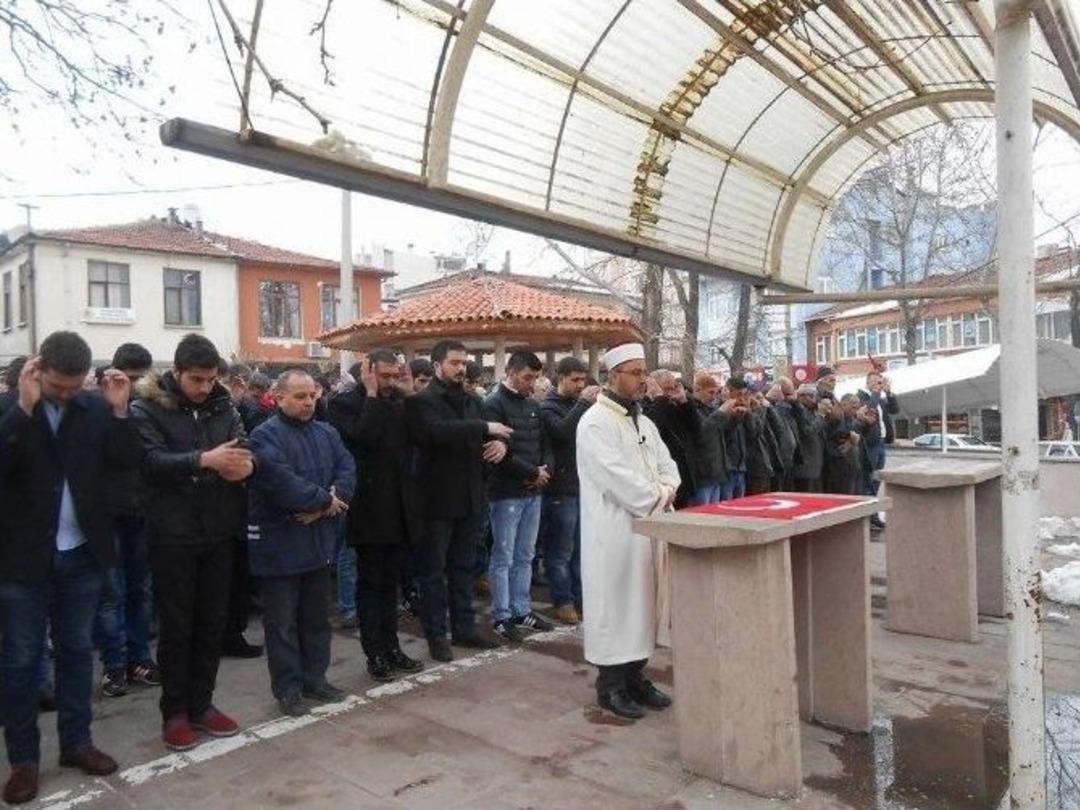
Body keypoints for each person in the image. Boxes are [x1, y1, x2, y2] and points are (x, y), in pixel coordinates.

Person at [0, 332, 141, 804]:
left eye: (74, 385)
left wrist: (120, 412)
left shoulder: (95, 408)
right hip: (23, 560)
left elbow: (125, 466)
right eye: (58, 386)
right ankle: (23, 760)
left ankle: (76, 743)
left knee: (79, 652)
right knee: (21, 661)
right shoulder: (12, 408)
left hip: (82, 553)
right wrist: (23, 407)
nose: (65, 393)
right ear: (38, 371)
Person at [132, 334, 253, 751]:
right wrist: (203, 460)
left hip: (219, 530)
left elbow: (244, 446)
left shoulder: (223, 405)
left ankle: (203, 704)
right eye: (197, 380)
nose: (205, 387)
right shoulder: (147, 407)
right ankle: (176, 712)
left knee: (211, 624)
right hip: (172, 535)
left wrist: (245, 466)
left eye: (210, 379)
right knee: (178, 628)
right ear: (177, 373)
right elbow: (149, 463)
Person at [577, 342, 679, 721]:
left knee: (642, 606)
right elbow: (617, 480)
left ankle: (636, 676)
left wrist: (665, 490)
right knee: (616, 606)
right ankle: (611, 685)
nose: (642, 380)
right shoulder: (594, 423)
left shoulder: (645, 421)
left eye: (644, 372)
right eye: (635, 373)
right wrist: (659, 495)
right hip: (614, 533)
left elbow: (669, 466)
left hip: (647, 529)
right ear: (612, 375)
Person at [247, 370, 355, 717]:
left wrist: (326, 505)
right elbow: (281, 482)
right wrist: (324, 502)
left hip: (318, 541)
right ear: (279, 398)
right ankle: (288, 688)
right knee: (281, 623)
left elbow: (347, 467)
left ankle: (316, 680)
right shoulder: (264, 436)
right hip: (280, 543)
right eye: (300, 396)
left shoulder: (326, 432)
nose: (309, 402)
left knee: (316, 619)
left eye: (312, 395)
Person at [404, 340, 508, 662]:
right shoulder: (422, 401)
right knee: (433, 572)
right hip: (436, 502)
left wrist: (500, 445)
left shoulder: (473, 401)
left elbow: (491, 437)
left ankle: (464, 627)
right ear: (437, 366)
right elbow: (434, 432)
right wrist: (484, 427)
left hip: (470, 498)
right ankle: (437, 634)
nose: (461, 368)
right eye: (454, 363)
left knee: (464, 568)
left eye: (463, 363)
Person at [328, 351, 425, 683]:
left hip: (399, 507)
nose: (390, 382)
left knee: (391, 586)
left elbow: (421, 434)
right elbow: (362, 437)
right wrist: (370, 394)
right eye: (384, 376)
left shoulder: (399, 399)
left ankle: (393, 646)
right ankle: (375, 654)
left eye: (394, 376)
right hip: (368, 509)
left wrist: (410, 394)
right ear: (368, 372)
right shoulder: (344, 403)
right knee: (371, 585)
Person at [95, 342, 160, 699]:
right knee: (111, 593)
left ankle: (140, 657)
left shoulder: (151, 406)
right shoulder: (94, 407)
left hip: (142, 510)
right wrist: (115, 410)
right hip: (107, 514)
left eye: (140, 378)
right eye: (130, 378)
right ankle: (114, 663)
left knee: (141, 590)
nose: (134, 385)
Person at [483, 351, 555, 642]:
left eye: (535, 378)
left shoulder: (532, 405)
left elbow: (545, 443)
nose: (532, 383)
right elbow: (498, 452)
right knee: (504, 555)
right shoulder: (493, 405)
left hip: (533, 490)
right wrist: (531, 472)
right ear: (511, 372)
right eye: (528, 377)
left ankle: (521, 608)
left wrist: (544, 469)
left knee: (525, 555)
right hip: (506, 493)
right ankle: (501, 614)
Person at [539, 357, 599, 625]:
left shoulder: (583, 405)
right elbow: (563, 433)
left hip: (583, 485)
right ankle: (563, 600)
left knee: (581, 549)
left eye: (582, 379)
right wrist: (584, 403)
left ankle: (581, 599)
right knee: (561, 550)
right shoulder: (547, 407)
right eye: (574, 379)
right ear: (560, 377)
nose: (579, 385)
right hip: (560, 489)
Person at [644, 371, 699, 508]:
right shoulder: (647, 406)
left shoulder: (674, 405)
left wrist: (685, 402)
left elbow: (697, 428)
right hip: (662, 479)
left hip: (683, 475)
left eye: (672, 388)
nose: (669, 393)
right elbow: (652, 426)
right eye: (666, 389)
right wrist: (659, 399)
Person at [856, 371, 898, 527]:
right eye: (875, 382)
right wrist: (875, 393)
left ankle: (873, 514)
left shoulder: (880, 398)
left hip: (881, 442)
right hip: (869, 443)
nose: (878, 385)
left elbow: (895, 410)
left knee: (877, 479)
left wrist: (889, 392)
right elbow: (869, 411)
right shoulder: (861, 397)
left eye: (880, 382)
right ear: (867, 383)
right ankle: (865, 516)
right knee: (867, 479)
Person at [687, 372, 726, 505]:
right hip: (702, 474)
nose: (714, 397)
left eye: (716, 393)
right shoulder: (691, 410)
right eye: (710, 393)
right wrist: (721, 413)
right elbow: (703, 433)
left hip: (716, 472)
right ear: (698, 390)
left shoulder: (710, 409)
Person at [790, 384, 826, 492]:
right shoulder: (800, 412)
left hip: (816, 464)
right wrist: (821, 416)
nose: (813, 399)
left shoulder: (812, 412)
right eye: (810, 396)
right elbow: (808, 432)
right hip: (805, 466)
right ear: (801, 397)